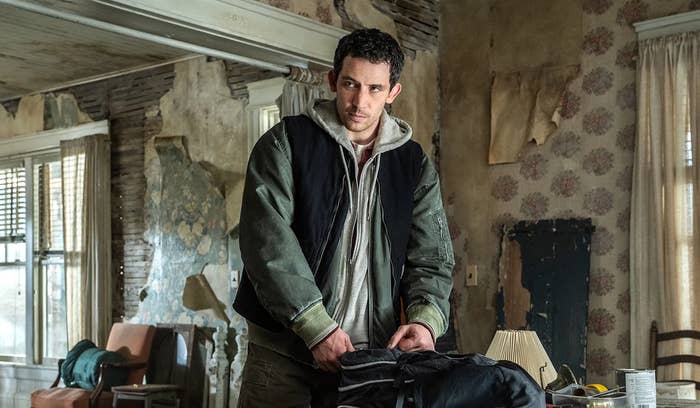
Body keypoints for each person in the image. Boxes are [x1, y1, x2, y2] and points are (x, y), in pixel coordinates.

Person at [233, 28, 454, 407]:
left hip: (372, 357)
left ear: (393, 92)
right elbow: (266, 245)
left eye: (375, 88)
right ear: (333, 80)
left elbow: (432, 257)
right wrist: (316, 328)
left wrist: (425, 320)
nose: (359, 102)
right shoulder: (285, 143)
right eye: (351, 84)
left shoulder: (414, 164)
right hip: (283, 353)